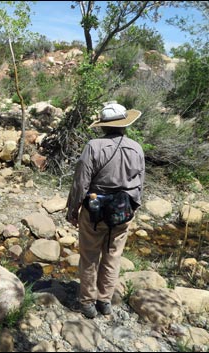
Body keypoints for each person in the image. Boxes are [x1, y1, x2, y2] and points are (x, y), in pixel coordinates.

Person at [66, 102, 145, 318]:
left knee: (89, 256)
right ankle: (105, 301)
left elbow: (81, 182)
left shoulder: (93, 146)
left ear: (103, 126)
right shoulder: (136, 148)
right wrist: (133, 207)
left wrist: (73, 209)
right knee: (113, 256)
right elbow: (139, 184)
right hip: (122, 211)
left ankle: (88, 304)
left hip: (95, 211)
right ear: (124, 124)